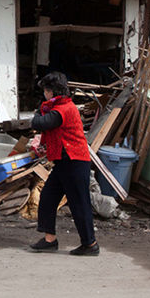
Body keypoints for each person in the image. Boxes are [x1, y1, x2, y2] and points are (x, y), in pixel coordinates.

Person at [29, 72, 99, 256]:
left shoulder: (64, 109)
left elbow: (40, 122)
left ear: (52, 92)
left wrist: (39, 112)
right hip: (64, 161)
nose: (44, 94)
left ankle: (90, 244)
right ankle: (49, 239)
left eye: (45, 90)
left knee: (79, 203)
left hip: (74, 161)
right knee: (48, 197)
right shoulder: (58, 107)